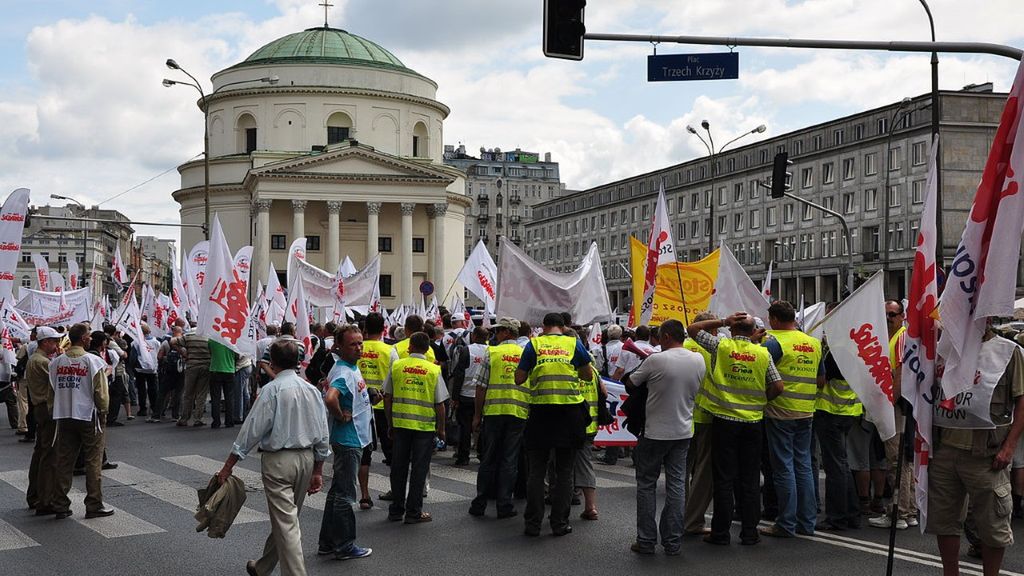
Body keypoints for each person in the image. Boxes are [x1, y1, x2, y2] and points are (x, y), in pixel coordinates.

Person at [216, 339, 331, 576]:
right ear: (298, 362)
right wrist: (318, 469)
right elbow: (322, 433)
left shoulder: (271, 390)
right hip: (306, 459)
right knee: (287, 520)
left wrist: (228, 466)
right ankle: (263, 567)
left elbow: (251, 431)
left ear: (273, 363)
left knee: (287, 523)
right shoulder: (311, 390)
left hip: (279, 462)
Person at [928, 324, 1024, 576]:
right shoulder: (943, 349)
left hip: (987, 454)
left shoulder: (1008, 351)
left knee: (993, 525)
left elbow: (1022, 400)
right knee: (944, 521)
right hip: (945, 450)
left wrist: (1009, 447)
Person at [688, 312, 784, 546]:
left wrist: (723, 321)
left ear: (731, 330)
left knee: (723, 479)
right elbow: (778, 386)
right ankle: (750, 533)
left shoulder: (721, 346)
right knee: (750, 479)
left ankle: (720, 533)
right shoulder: (762, 352)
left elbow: (692, 329)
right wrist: (762, 400)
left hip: (724, 420)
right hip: (753, 422)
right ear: (752, 332)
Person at [626, 319, 703, 555]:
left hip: (655, 432)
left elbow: (631, 383)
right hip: (683, 431)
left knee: (646, 484)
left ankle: (646, 540)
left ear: (667, 336)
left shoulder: (656, 360)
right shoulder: (698, 359)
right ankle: (672, 541)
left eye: (659, 337)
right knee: (677, 485)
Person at [516, 312, 592, 537]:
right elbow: (588, 376)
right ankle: (559, 523)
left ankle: (533, 524)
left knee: (537, 471)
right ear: (563, 327)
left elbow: (519, 378)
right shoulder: (574, 344)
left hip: (541, 413)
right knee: (565, 472)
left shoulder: (534, 345)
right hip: (569, 414)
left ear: (544, 326)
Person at [759, 301, 822, 538]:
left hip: (780, 410)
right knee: (803, 466)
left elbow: (761, 373)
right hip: (806, 410)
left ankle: (786, 523)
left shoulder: (773, 343)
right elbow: (821, 380)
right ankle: (807, 522)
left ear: (775, 319)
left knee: (783, 468)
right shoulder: (813, 343)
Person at [318, 325, 373, 560]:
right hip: (349, 440)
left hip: (351, 437)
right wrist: (341, 416)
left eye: (360, 343)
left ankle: (327, 543)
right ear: (339, 346)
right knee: (345, 495)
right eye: (353, 344)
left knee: (336, 493)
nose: (359, 348)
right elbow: (331, 398)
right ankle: (344, 545)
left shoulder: (350, 367)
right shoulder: (343, 372)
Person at [50, 323, 114, 520]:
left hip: (64, 415)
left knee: (64, 460)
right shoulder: (93, 361)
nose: (90, 339)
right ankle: (94, 504)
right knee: (93, 461)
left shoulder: (56, 362)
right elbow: (101, 393)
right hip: (88, 415)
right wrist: (103, 412)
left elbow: (53, 389)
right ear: (84, 339)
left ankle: (60, 504)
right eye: (89, 336)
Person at [383, 331, 448, 523]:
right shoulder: (433, 370)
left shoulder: (397, 366)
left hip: (401, 424)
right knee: (419, 470)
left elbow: (387, 397)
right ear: (427, 349)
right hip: (424, 428)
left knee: (398, 467)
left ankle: (396, 510)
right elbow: (440, 404)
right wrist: (442, 429)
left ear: (410, 346)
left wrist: (390, 423)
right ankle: (413, 512)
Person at [469, 317, 525, 518]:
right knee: (510, 460)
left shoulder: (492, 352)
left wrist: (477, 415)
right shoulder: (525, 353)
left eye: (498, 331)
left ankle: (480, 503)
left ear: (506, 332)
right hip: (518, 413)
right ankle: (504, 505)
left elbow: (481, 387)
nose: (495, 335)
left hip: (493, 412)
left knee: (489, 458)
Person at [870, 299, 918, 529]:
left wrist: (891, 402)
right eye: (885, 314)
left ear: (902, 316)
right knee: (903, 459)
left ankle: (898, 513)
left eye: (892, 314)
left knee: (896, 459)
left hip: (898, 406)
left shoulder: (900, 337)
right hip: (900, 405)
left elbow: (901, 372)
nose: (888, 318)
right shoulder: (893, 337)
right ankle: (908, 511)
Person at [815, 317, 865, 531]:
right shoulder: (855, 349)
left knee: (836, 467)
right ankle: (852, 514)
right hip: (848, 412)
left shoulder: (836, 352)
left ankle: (837, 517)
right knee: (842, 465)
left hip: (831, 412)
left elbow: (821, 381)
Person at [682, 312, 717, 536]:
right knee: (703, 471)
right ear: (712, 330)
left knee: (680, 470)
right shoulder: (717, 348)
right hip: (706, 414)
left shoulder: (681, 346)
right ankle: (693, 519)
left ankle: (678, 514)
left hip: (682, 415)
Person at [25, 326, 61, 514]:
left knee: (40, 451)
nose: (57, 344)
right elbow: (57, 383)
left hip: (40, 408)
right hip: (47, 408)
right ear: (45, 342)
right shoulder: (43, 362)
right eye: (54, 341)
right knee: (49, 454)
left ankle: (35, 495)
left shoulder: (35, 359)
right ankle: (45, 500)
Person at [358, 313, 398, 471]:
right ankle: (395, 479)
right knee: (390, 447)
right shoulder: (390, 351)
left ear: (365, 329)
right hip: (383, 404)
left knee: (362, 449)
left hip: (360, 404)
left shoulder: (357, 347)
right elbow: (395, 377)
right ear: (383, 329)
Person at [454, 326, 489, 465]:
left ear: (474, 336)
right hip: (484, 395)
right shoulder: (490, 351)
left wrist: (455, 397)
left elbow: (459, 374)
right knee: (483, 426)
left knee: (465, 427)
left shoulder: (466, 350)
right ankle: (482, 453)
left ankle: (463, 456)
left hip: (466, 395)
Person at [172, 326, 211, 427]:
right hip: (205, 367)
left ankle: (184, 418)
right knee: (201, 394)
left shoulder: (188, 336)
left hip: (191, 366)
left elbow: (172, 342)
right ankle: (198, 418)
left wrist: (182, 352)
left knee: (188, 394)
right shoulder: (209, 337)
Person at [129, 323, 160, 421]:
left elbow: (133, 356)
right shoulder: (156, 342)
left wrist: (132, 366)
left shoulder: (136, 342)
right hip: (152, 368)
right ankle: (154, 407)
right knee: (153, 389)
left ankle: (143, 409)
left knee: (141, 389)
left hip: (140, 368)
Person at [208, 340, 237, 429]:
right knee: (229, 397)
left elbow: (210, 352)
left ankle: (216, 422)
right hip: (229, 370)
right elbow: (237, 355)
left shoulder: (212, 340)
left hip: (215, 369)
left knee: (215, 398)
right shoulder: (232, 341)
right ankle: (229, 421)